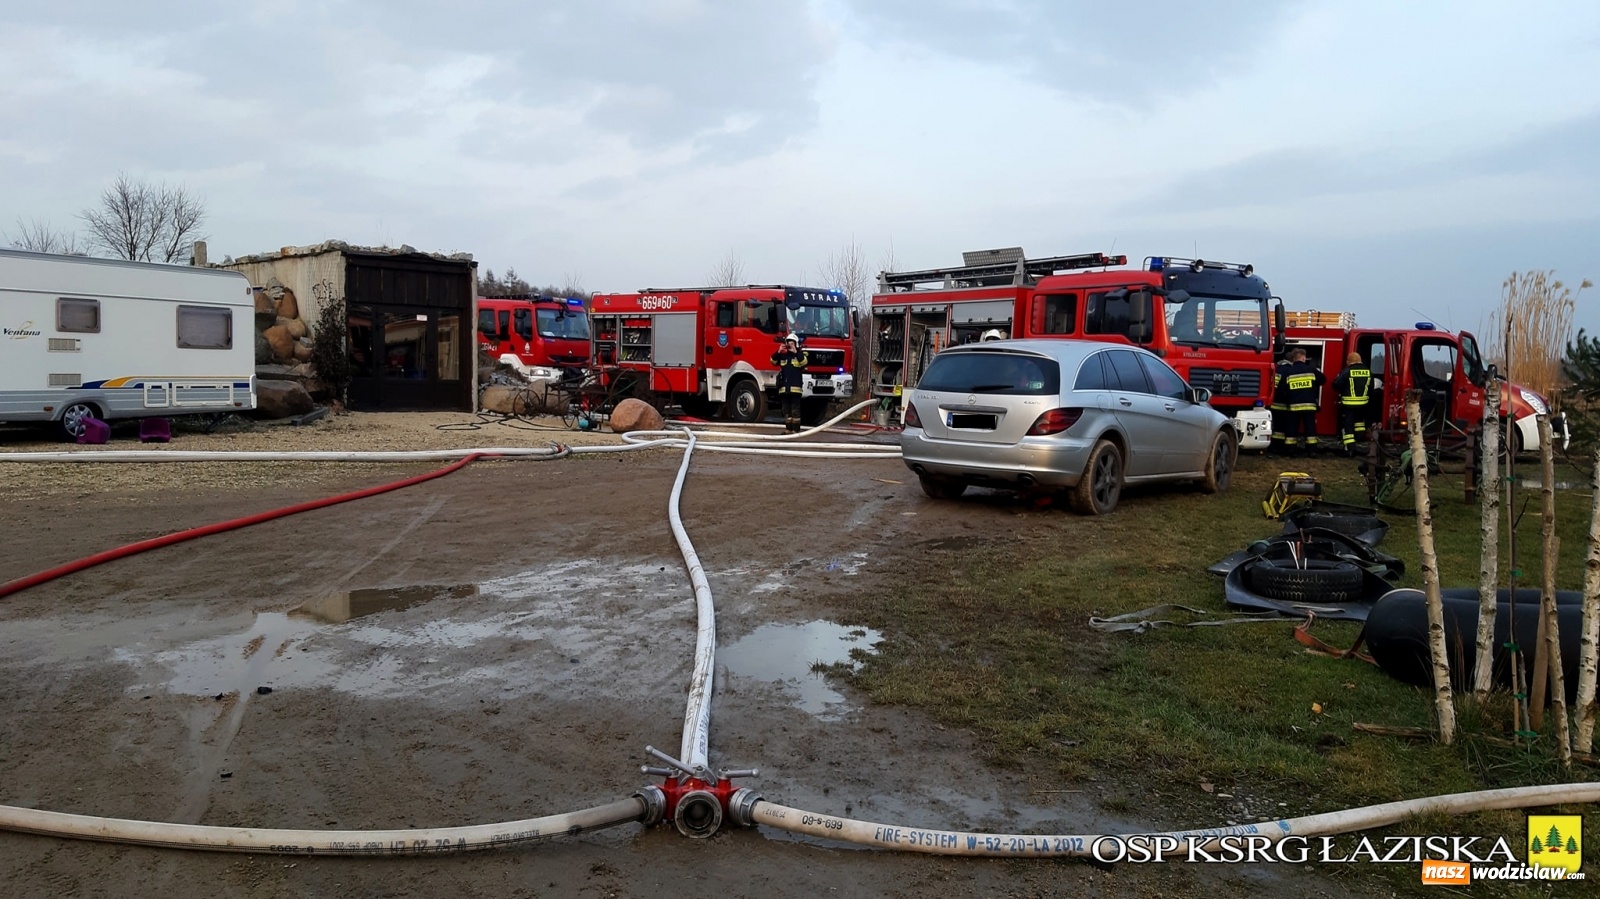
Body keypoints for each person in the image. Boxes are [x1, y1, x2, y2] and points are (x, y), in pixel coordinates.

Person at [1280, 347, 1326, 454]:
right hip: (1309, 406)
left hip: (1293, 406)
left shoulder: (1288, 372)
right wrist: (1312, 385)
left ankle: (1290, 450)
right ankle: (1311, 450)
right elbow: (1323, 379)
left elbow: (1282, 389)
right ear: (1304, 358)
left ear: (1293, 359)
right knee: (1310, 428)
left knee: (1291, 428)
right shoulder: (1311, 370)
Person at [1332, 351, 1373, 454]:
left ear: (1349, 361)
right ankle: (1360, 440)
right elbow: (1371, 388)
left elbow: (1336, 385)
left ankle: (1350, 449)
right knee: (1359, 423)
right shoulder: (1368, 371)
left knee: (1348, 427)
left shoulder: (1347, 371)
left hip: (1348, 405)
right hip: (1363, 404)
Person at [771, 333, 808, 433]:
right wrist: (778, 351)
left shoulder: (800, 355)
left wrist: (796, 352)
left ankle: (796, 431)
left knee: (795, 411)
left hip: (795, 390)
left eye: (792, 343)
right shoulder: (783, 356)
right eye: (788, 343)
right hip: (784, 389)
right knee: (786, 411)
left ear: (796, 344)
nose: (790, 345)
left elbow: (804, 362)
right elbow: (773, 361)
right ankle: (788, 430)